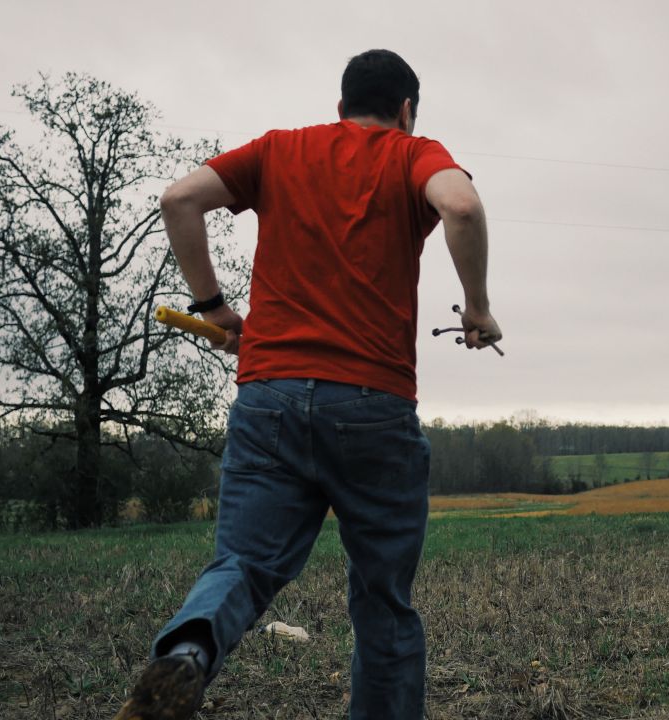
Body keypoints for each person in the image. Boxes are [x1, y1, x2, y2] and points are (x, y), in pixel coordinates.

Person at [114, 49, 501, 720]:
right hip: (372, 405)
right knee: (382, 600)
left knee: (243, 564)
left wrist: (212, 306)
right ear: (406, 110)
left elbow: (179, 199)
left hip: (270, 397)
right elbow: (461, 207)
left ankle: (186, 655)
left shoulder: (278, 151)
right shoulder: (412, 153)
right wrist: (477, 307)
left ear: (340, 105)